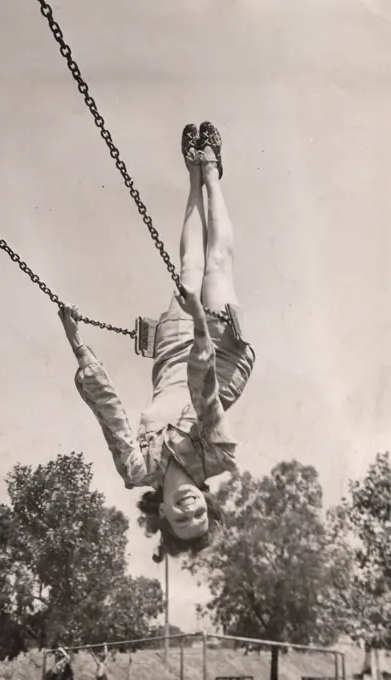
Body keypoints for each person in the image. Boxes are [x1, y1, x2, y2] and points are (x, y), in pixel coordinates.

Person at [59, 122, 256, 563]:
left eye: (183, 520)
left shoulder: (137, 469)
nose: (191, 510)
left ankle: (192, 175)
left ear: (163, 513)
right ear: (207, 501)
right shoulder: (218, 458)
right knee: (217, 264)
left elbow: (108, 411)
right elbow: (203, 390)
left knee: (189, 266)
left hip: (169, 358)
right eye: (201, 513)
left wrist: (78, 345)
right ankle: (210, 173)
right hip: (220, 357)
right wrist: (200, 317)